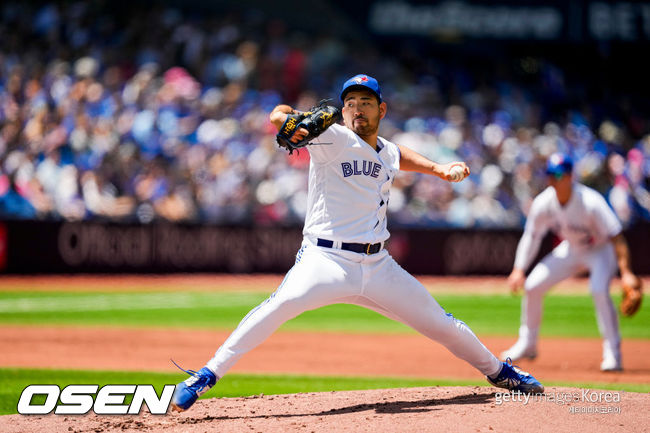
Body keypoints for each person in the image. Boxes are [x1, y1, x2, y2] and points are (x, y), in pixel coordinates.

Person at [171, 74, 544, 412]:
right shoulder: (332, 136)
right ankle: (205, 375)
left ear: (381, 109)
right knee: (278, 306)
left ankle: (500, 372)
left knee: (441, 324)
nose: (355, 109)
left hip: (378, 266)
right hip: (325, 260)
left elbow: (398, 156)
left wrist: (439, 169)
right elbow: (277, 116)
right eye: (349, 103)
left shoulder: (386, 150)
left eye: (365, 102)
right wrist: (287, 117)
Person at [501, 152, 642, 371]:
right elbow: (531, 236)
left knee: (598, 290)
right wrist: (519, 269)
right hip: (572, 248)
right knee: (532, 285)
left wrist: (626, 272)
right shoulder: (544, 202)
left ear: (570, 176)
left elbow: (617, 237)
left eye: (559, 174)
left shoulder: (591, 201)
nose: (554, 180)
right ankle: (528, 343)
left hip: (600, 250)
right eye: (550, 174)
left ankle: (613, 354)